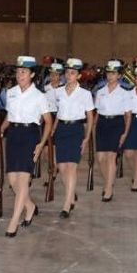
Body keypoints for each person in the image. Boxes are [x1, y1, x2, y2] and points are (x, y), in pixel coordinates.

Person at [0, 56, 52, 238]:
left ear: (32, 74)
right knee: (12, 181)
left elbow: (48, 122)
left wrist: (41, 143)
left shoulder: (39, 96)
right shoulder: (10, 92)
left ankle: (14, 221)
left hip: (30, 136)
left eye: (24, 71)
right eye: (18, 71)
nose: (20, 74)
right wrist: (1, 130)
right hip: (13, 135)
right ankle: (30, 206)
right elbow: (9, 117)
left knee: (22, 181)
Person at [53, 58, 94, 218]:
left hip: (76, 129)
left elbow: (90, 117)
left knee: (71, 166)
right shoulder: (58, 92)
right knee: (62, 167)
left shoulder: (85, 94)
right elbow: (57, 113)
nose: (69, 75)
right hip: (62, 129)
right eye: (67, 72)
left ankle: (66, 205)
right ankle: (71, 194)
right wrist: (53, 130)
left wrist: (87, 137)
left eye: (72, 73)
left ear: (78, 76)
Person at [94, 60, 132, 202]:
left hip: (117, 124)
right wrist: (93, 128)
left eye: (114, 73)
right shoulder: (100, 91)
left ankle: (109, 189)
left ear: (119, 75)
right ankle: (108, 182)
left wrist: (125, 133)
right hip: (102, 124)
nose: (110, 76)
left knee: (111, 157)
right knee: (100, 158)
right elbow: (97, 112)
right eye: (109, 73)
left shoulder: (124, 93)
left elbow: (128, 115)